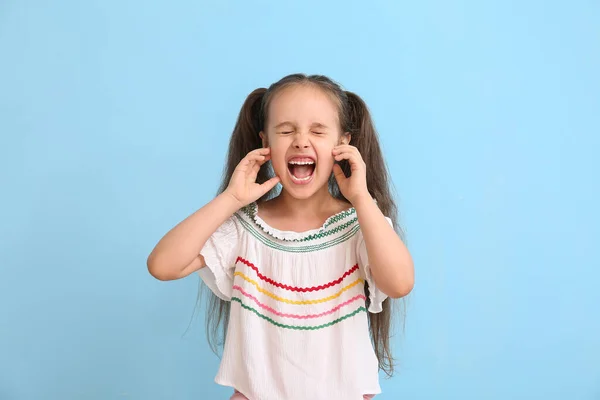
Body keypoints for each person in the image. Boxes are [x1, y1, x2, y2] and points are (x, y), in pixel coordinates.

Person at [147, 73, 414, 400]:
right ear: (265, 144)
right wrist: (230, 199)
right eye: (286, 130)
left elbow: (399, 284)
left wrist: (361, 199)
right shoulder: (244, 229)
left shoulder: (361, 225)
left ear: (343, 145)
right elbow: (162, 266)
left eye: (317, 130)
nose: (301, 140)